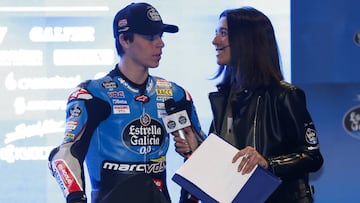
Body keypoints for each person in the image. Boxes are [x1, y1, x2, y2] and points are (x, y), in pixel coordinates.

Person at [48, 2, 205, 203]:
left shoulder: (175, 95)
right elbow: (64, 156)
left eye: (160, 36)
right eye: (150, 37)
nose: (160, 43)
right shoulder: (93, 94)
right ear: (124, 39)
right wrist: (76, 199)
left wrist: (190, 196)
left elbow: (203, 158)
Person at [208, 6, 324, 203]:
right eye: (216, 33)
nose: (215, 41)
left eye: (224, 33)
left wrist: (268, 163)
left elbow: (312, 157)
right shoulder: (224, 98)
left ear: (247, 40)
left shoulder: (285, 95)